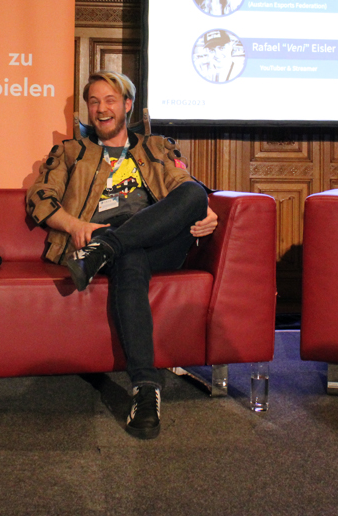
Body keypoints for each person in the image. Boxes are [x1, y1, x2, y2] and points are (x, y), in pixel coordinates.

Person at [26, 71, 217, 439]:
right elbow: (39, 199)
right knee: (130, 259)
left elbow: (185, 189)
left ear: (127, 106)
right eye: (94, 102)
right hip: (104, 238)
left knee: (194, 194)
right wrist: (73, 225)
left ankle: (104, 251)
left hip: (157, 240)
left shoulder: (157, 147)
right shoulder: (71, 151)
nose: (101, 109)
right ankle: (146, 390)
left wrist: (205, 210)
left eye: (110, 100)